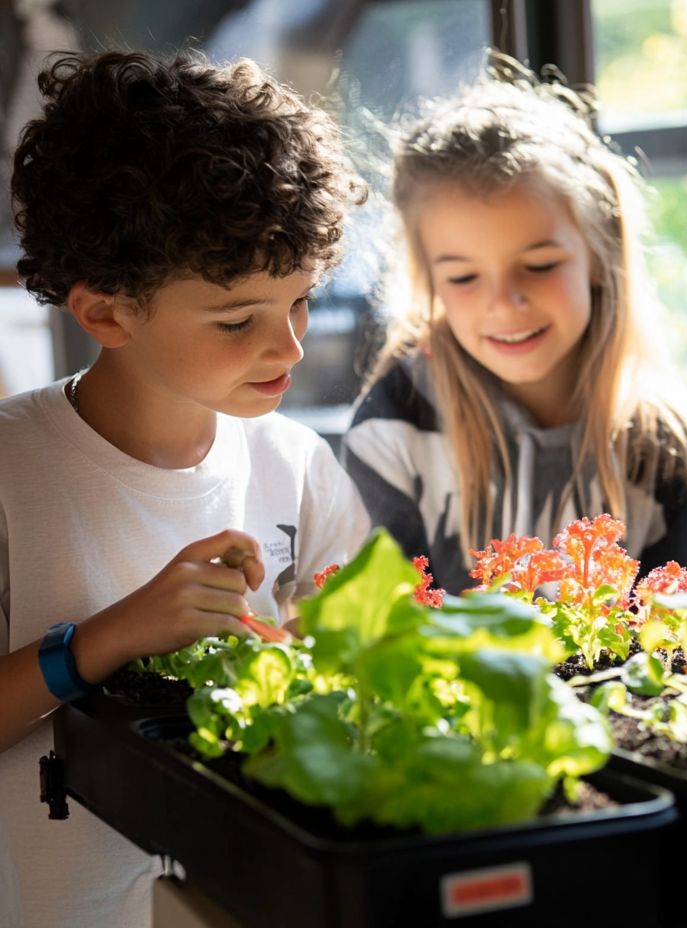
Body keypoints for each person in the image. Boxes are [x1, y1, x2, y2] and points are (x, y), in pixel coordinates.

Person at [0, 49, 371, 927]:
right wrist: (113, 635)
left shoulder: (297, 466)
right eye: (238, 319)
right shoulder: (15, 469)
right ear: (105, 312)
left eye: (301, 301)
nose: (288, 347)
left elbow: (356, 669)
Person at [343, 54, 687, 594]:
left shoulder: (656, 441)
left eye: (540, 266)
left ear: (600, 255)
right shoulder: (394, 425)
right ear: (428, 281)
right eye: (463, 277)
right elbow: (381, 633)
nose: (504, 303)